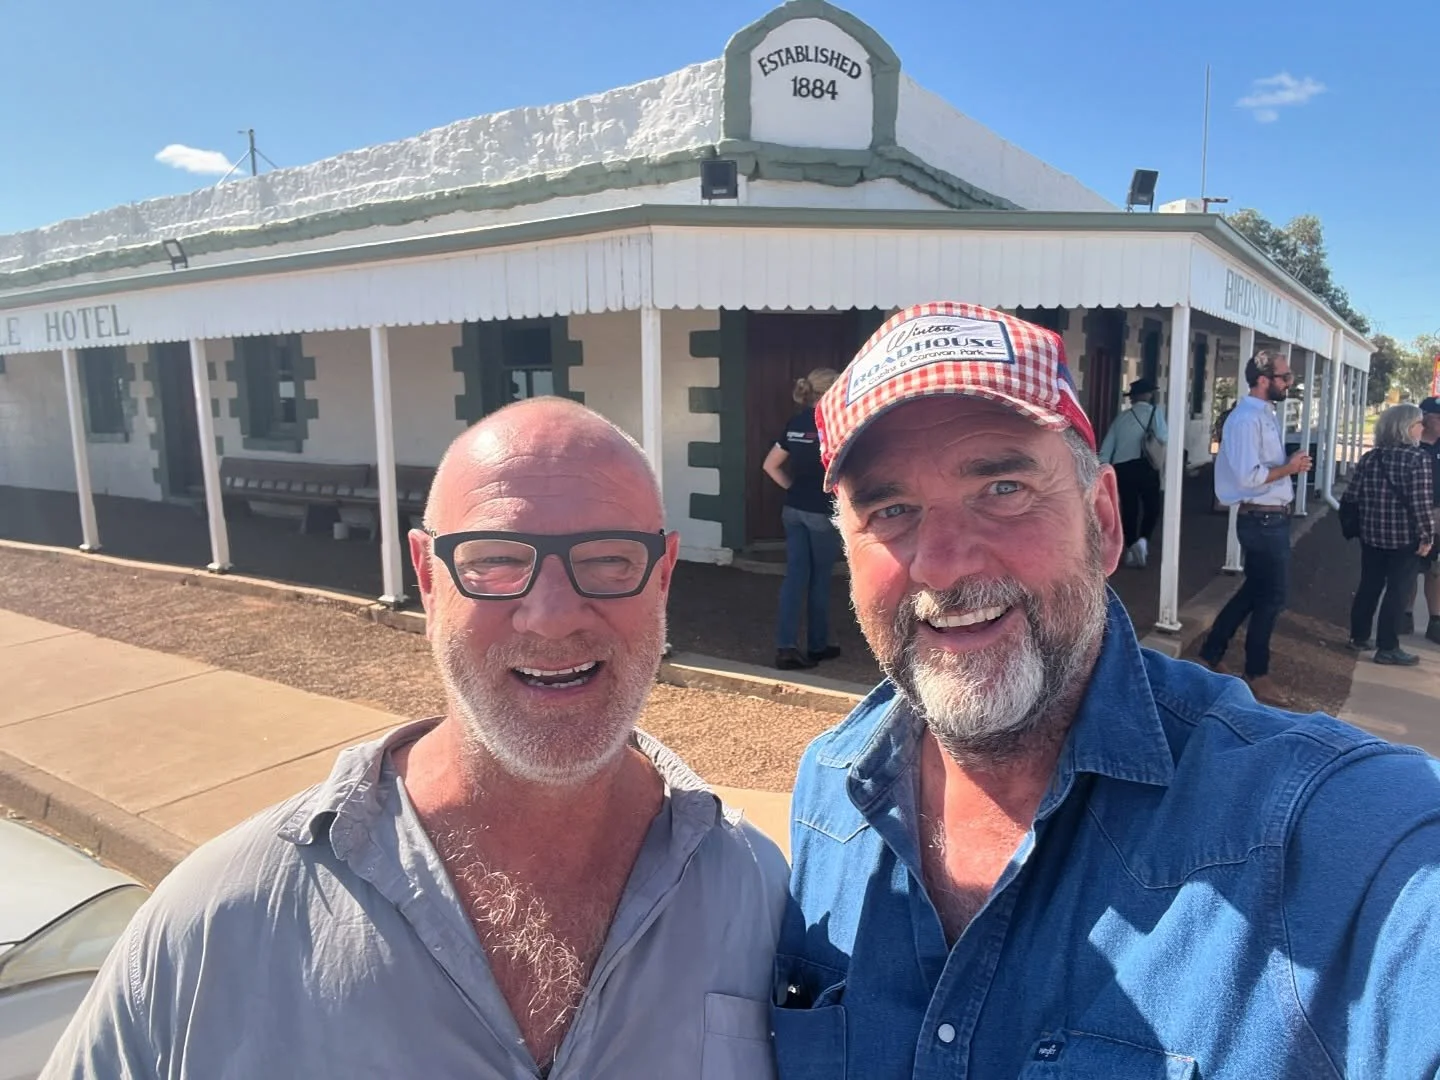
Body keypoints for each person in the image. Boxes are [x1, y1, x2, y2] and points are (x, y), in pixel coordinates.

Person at [773, 302, 1440, 1080]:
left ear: (1103, 521)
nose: (946, 562)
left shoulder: (1314, 833)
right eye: (890, 510)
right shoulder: (830, 791)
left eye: (1002, 488)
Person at [43, 399, 787, 1080]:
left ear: (661, 577)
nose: (553, 615)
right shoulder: (217, 924)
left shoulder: (757, 893)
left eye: (606, 560)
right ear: (428, 583)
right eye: (496, 560)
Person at [1197, 349, 1311, 706]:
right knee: (1271, 597)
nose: (1290, 383)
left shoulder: (1262, 414)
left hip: (1268, 518)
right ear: (1263, 380)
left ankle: (1212, 652)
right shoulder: (1247, 419)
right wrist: (1290, 468)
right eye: (1284, 377)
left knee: (1255, 592)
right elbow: (1249, 477)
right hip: (1262, 520)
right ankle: (1256, 672)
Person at [1343, 403, 1436, 664]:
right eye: (1419, 424)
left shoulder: (1371, 458)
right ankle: (1388, 646)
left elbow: (1352, 496)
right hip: (1404, 539)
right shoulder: (1418, 460)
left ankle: (1358, 636)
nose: (1422, 428)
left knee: (1369, 586)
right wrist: (1427, 536)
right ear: (1407, 428)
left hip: (1372, 536)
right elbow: (1421, 504)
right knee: (1398, 591)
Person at [763, 368, 843, 670]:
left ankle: (786, 647)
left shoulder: (795, 424)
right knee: (820, 580)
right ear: (831, 392)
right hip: (821, 512)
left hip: (793, 509)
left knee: (795, 578)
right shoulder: (833, 426)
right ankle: (817, 645)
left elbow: (770, 465)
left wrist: (793, 488)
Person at [1096, 377, 1166, 568]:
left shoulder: (1122, 418)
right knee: (1152, 506)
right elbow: (1163, 437)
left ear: (1133, 398)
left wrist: (1102, 466)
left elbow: (1108, 447)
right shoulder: (1155, 413)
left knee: (1129, 508)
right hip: (1146, 466)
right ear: (1149, 395)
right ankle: (1144, 540)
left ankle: (1132, 544)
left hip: (1123, 467)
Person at [1405, 395, 1440, 644]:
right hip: (1411, 518)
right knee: (1408, 570)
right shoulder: (1410, 445)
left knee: (1436, 571)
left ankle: (1435, 621)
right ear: (1424, 417)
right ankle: (1404, 615)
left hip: (1439, 518)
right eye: (1438, 417)